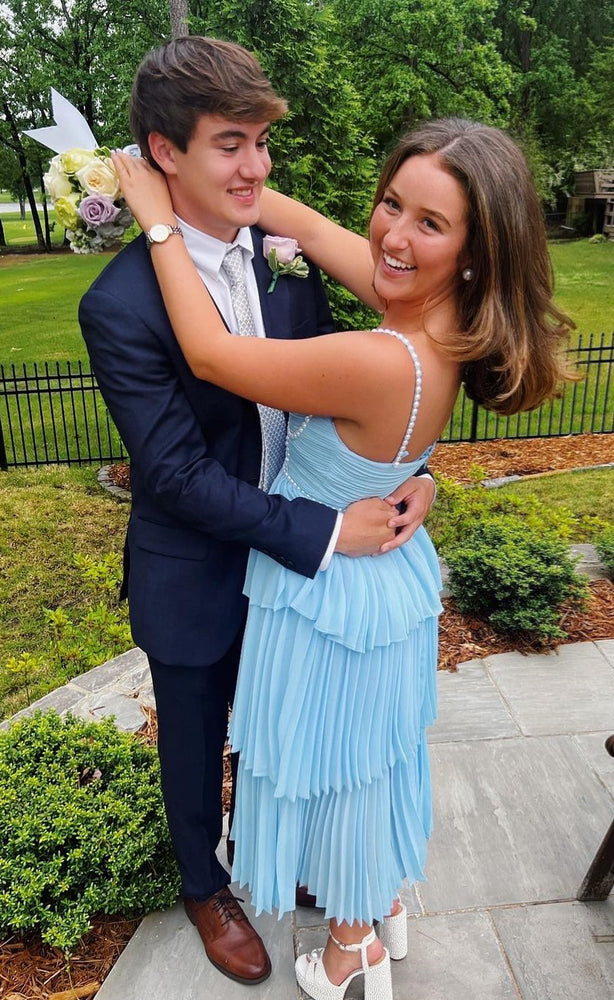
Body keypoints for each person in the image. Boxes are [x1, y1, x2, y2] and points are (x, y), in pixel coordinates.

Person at [112, 115, 574, 1000]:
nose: (393, 236)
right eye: (391, 203)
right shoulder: (433, 314)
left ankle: (351, 947)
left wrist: (157, 219)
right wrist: (221, 178)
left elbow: (211, 355)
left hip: (332, 594)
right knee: (372, 755)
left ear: (474, 252)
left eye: (429, 224)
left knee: (339, 771)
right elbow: (316, 231)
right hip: (377, 575)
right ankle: (380, 904)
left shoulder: (379, 357)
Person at [79, 36, 435, 989]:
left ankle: (300, 856)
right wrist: (324, 533)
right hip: (198, 566)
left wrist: (415, 473)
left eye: (262, 143)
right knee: (195, 744)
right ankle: (204, 885)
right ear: (164, 153)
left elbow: (355, 386)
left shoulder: (284, 257)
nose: (257, 167)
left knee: (286, 727)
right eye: (230, 144)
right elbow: (175, 475)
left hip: (291, 568)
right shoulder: (118, 306)